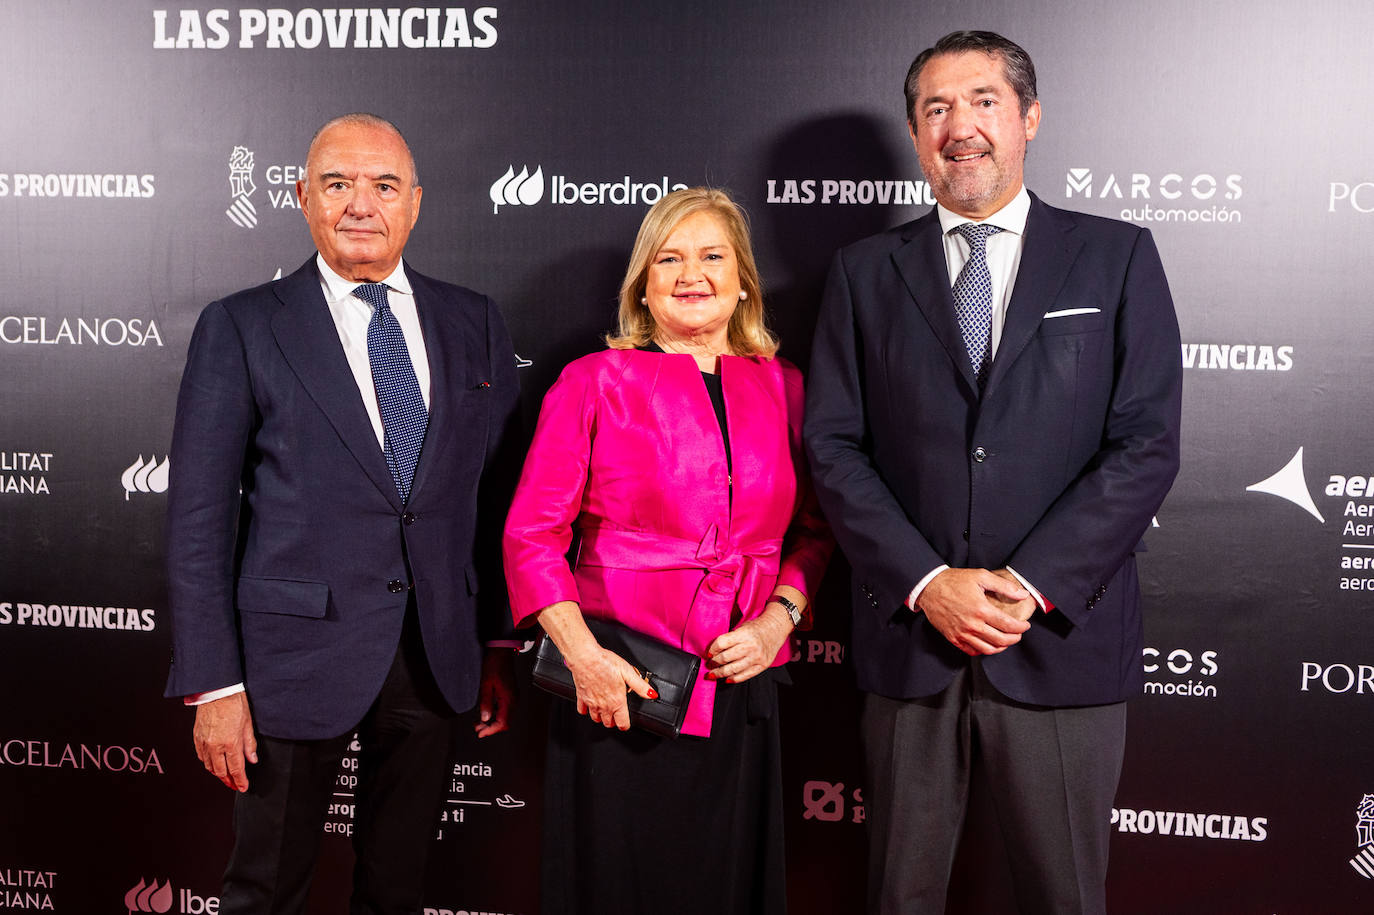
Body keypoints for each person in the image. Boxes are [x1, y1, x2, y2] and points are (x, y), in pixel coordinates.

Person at [804, 31, 1183, 915]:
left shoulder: (1117, 256)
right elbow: (834, 447)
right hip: (911, 648)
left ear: (1029, 119)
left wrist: (1028, 582)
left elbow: (1146, 443)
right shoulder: (862, 273)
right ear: (914, 133)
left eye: (983, 102)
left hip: (1057, 644)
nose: (960, 127)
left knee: (1064, 897)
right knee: (899, 895)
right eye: (937, 108)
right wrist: (928, 582)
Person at [163, 112, 522, 915]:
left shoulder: (475, 322)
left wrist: (495, 639)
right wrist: (213, 682)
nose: (362, 203)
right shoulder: (244, 324)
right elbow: (197, 518)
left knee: (398, 890)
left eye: (384, 185)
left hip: (436, 656)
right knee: (267, 890)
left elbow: (490, 494)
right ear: (301, 197)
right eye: (337, 183)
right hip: (287, 660)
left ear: (416, 202)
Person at [503, 187, 831, 915]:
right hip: (620, 686)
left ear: (743, 279)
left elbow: (815, 531)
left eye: (713, 255)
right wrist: (585, 659)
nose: (693, 273)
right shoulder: (592, 381)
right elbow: (531, 536)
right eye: (670, 258)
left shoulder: (788, 388)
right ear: (643, 288)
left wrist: (778, 619)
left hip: (742, 678)